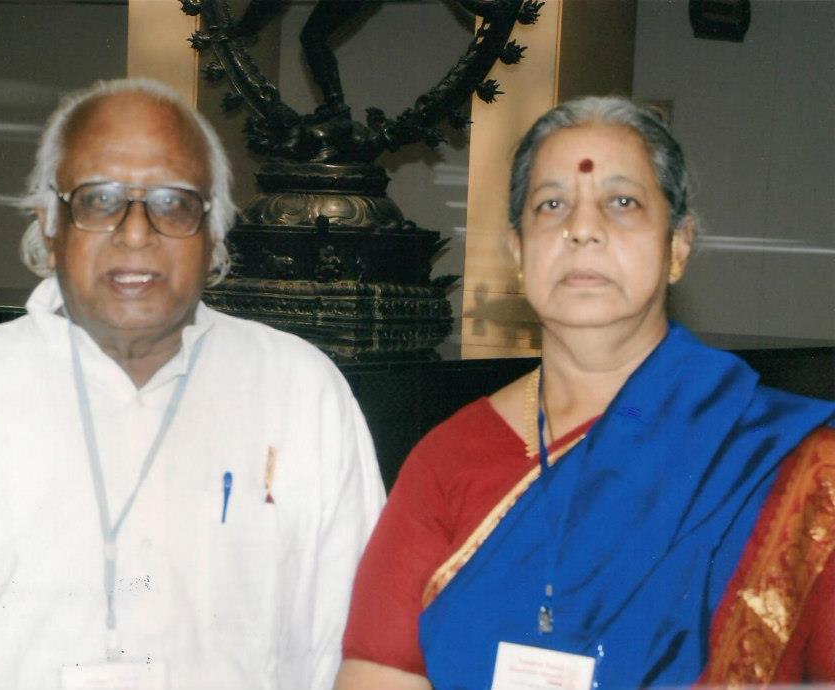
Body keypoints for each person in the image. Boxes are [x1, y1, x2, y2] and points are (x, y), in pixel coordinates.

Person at [0, 78, 385, 689]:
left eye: (173, 203)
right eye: (99, 199)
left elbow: (357, 646)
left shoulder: (299, 390)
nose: (136, 232)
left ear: (215, 235)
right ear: (50, 225)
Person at [336, 96, 835, 689]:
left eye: (622, 203)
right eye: (552, 205)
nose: (583, 229)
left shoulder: (789, 463)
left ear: (678, 245)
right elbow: (377, 673)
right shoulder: (449, 461)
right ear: (519, 252)